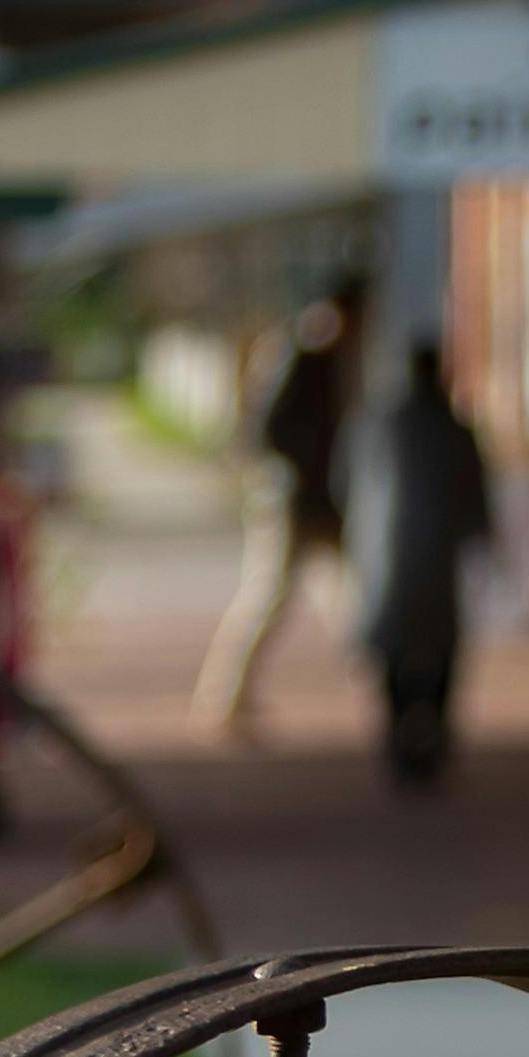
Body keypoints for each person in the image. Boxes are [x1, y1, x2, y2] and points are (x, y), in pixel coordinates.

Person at [194, 277, 363, 737]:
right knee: (267, 597)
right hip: (290, 501)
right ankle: (224, 698)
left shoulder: (315, 358)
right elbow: (273, 433)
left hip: (314, 500)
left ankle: (380, 684)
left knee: (349, 594)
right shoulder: (302, 358)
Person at [353, 338, 497, 791]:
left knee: (395, 649)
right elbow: (476, 498)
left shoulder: (379, 424)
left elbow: (349, 484)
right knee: (438, 648)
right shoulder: (451, 428)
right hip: (432, 561)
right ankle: (427, 732)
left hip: (387, 558)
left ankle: (402, 734)